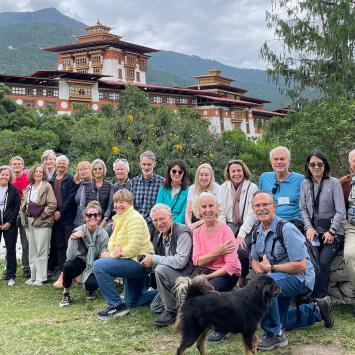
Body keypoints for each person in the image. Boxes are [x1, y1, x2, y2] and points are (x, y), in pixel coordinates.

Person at [251, 191, 333, 352]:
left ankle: (275, 336)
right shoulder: (257, 231)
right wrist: (261, 271)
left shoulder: (287, 229)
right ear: (253, 209)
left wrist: (271, 269)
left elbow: (301, 266)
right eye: (257, 205)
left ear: (274, 206)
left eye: (265, 204)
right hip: (277, 279)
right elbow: (254, 260)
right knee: (280, 320)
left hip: (300, 278)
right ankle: (318, 310)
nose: (261, 208)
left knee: (265, 286)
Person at [93, 189, 154, 320]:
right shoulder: (121, 219)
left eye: (122, 202)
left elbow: (134, 247)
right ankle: (169, 293)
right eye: (115, 202)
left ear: (130, 203)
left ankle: (115, 306)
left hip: (139, 263)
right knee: (132, 301)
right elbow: (111, 243)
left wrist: (113, 255)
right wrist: (114, 251)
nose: (117, 205)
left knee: (99, 266)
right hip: (129, 260)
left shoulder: (135, 219)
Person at [192, 192, 241, 342]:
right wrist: (218, 252)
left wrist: (209, 276)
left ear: (217, 209)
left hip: (227, 273)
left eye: (211, 206)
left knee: (209, 290)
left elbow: (231, 265)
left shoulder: (225, 230)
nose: (207, 210)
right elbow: (196, 260)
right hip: (206, 271)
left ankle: (222, 329)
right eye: (204, 207)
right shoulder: (197, 232)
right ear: (199, 211)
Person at [300, 150, 346, 300]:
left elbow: (340, 210)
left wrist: (332, 231)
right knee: (311, 261)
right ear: (308, 166)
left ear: (325, 165)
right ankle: (308, 295)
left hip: (333, 231)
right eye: (312, 164)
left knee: (324, 262)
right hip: (313, 230)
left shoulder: (333, 183)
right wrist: (309, 227)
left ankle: (319, 299)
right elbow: (303, 208)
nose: (316, 167)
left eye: (319, 164)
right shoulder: (305, 184)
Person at [139, 203, 194, 327]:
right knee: (155, 307)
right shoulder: (160, 235)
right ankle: (183, 307)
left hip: (187, 276)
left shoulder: (182, 231)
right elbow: (164, 259)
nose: (159, 223)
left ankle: (171, 312)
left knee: (161, 269)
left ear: (171, 217)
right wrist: (148, 261)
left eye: (162, 219)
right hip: (172, 277)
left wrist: (153, 258)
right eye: (155, 220)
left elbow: (180, 262)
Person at [59, 201, 109, 307]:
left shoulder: (103, 234)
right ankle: (66, 293)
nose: (92, 217)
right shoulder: (78, 230)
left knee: (92, 284)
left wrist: (104, 253)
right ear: (85, 217)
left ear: (99, 217)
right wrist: (73, 239)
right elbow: (70, 257)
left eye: (95, 215)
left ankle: (89, 289)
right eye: (89, 215)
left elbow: (103, 251)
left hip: (93, 263)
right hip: (80, 261)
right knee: (68, 266)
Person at [220, 159, 258, 286]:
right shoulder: (224, 187)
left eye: (239, 171)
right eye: (233, 171)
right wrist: (223, 230)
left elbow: (251, 214)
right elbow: (221, 212)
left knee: (241, 250)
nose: (236, 174)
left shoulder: (252, 187)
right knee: (223, 246)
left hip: (247, 226)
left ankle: (242, 277)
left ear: (244, 171)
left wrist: (241, 234)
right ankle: (225, 277)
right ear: (228, 173)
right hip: (229, 225)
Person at [20, 164, 57, 286]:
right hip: (29, 222)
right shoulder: (28, 188)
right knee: (32, 250)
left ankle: (41, 277)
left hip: (42, 222)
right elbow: (23, 205)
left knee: (42, 250)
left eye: (40, 172)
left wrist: (42, 216)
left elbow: (52, 204)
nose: (38, 174)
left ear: (43, 174)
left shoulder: (46, 186)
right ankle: (33, 276)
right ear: (32, 173)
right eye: (36, 172)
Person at [50, 155, 78, 287]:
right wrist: (54, 212)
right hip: (55, 217)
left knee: (68, 245)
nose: (61, 165)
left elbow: (71, 198)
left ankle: (69, 273)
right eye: (59, 163)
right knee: (59, 245)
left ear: (67, 165)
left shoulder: (70, 179)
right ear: (55, 164)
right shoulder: (52, 179)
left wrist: (61, 212)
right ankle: (61, 270)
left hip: (67, 217)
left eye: (63, 163)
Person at [259, 146, 304, 228]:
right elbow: (259, 202)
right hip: (269, 222)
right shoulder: (264, 178)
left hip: (293, 223)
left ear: (289, 161)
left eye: (282, 159)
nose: (279, 162)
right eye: (275, 159)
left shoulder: (300, 179)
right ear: (271, 161)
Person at [130, 151, 164, 236]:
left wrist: (146, 220)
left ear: (154, 164)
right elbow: (130, 204)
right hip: (135, 219)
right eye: (144, 164)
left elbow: (160, 206)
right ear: (140, 164)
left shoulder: (162, 182)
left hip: (153, 221)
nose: (146, 167)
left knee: (143, 234)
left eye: (149, 164)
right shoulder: (134, 181)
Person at [9, 156, 30, 279]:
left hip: (24, 213)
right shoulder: (8, 178)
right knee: (10, 242)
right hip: (10, 214)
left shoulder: (28, 178)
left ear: (23, 165)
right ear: (10, 165)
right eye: (14, 164)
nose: (16, 166)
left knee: (25, 242)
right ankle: (10, 268)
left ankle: (26, 267)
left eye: (19, 164)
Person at [0, 165, 21, 286]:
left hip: (10, 224)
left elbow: (16, 208)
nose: (4, 177)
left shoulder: (13, 189)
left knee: (11, 249)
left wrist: (9, 222)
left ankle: (11, 276)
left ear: (10, 176)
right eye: (2, 174)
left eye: (7, 175)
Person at [185, 163, 221, 231]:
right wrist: (189, 225)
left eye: (207, 175)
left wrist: (196, 224)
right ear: (197, 176)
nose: (204, 178)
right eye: (201, 175)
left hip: (212, 221)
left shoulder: (217, 188)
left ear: (211, 176)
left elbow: (217, 213)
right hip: (194, 220)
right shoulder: (192, 188)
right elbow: (187, 212)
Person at [340, 149, 355, 316]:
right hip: (352, 227)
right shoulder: (343, 182)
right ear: (349, 163)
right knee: (350, 255)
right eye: (354, 160)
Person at [80, 159, 113, 228]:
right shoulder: (86, 185)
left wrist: (104, 221)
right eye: (95, 169)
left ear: (103, 170)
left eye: (100, 168)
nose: (97, 171)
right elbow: (82, 206)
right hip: (88, 220)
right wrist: (88, 220)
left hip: (104, 222)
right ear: (92, 171)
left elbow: (110, 206)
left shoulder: (109, 186)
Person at [156, 159, 189, 224]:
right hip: (163, 224)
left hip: (179, 225)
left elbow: (184, 213)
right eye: (174, 171)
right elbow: (158, 208)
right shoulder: (163, 189)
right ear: (169, 172)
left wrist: (173, 225)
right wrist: (165, 223)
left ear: (183, 174)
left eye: (180, 172)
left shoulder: (188, 191)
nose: (177, 174)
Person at [72, 161, 92, 228]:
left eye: (85, 169)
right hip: (78, 221)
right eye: (80, 170)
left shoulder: (94, 184)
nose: (82, 172)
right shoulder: (80, 185)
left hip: (90, 221)